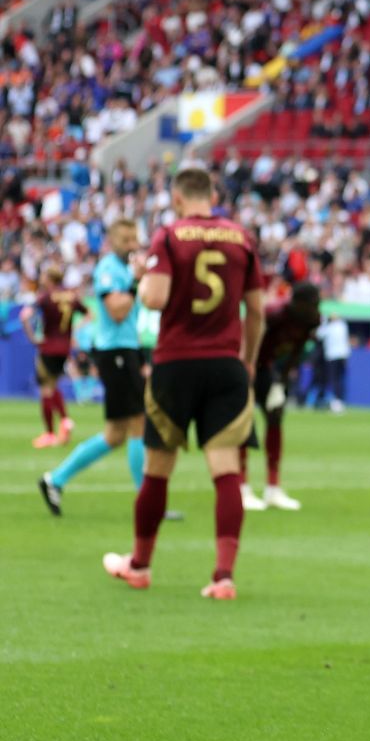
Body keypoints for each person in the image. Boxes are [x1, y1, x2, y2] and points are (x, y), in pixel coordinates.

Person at [103, 167, 264, 600]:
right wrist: (247, 362)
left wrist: (140, 278)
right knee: (226, 469)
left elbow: (154, 298)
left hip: (176, 363)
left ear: (177, 198)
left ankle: (139, 565)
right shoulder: (242, 238)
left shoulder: (170, 236)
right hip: (226, 363)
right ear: (212, 194)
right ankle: (223, 576)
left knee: (158, 470)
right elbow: (257, 313)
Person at [39, 219, 144, 513]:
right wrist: (136, 282)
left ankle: (55, 479)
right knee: (137, 423)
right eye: (126, 240)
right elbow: (117, 311)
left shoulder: (123, 269)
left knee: (115, 434)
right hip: (115, 352)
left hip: (126, 349)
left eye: (134, 238)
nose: (133, 245)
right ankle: (146, 500)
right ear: (112, 241)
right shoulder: (109, 269)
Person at [240, 282, 323, 511]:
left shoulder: (311, 320)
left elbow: (296, 352)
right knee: (243, 423)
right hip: (244, 363)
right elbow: (247, 336)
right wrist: (244, 369)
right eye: (313, 304)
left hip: (266, 368)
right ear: (298, 303)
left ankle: (273, 488)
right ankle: (241, 487)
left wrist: (281, 381)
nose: (317, 308)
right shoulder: (273, 314)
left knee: (275, 418)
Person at [21, 266, 85, 449]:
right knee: (53, 385)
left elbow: (25, 316)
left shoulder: (45, 297)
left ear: (50, 278)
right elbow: (89, 314)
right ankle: (65, 421)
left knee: (45, 389)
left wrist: (33, 337)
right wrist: (74, 332)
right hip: (64, 347)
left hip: (48, 346)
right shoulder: (71, 296)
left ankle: (50, 433)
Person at [312, 313, 350, 411]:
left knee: (333, 379)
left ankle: (336, 402)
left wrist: (324, 323)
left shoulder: (330, 327)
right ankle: (338, 401)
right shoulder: (342, 326)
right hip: (342, 356)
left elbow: (319, 334)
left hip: (332, 356)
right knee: (338, 379)